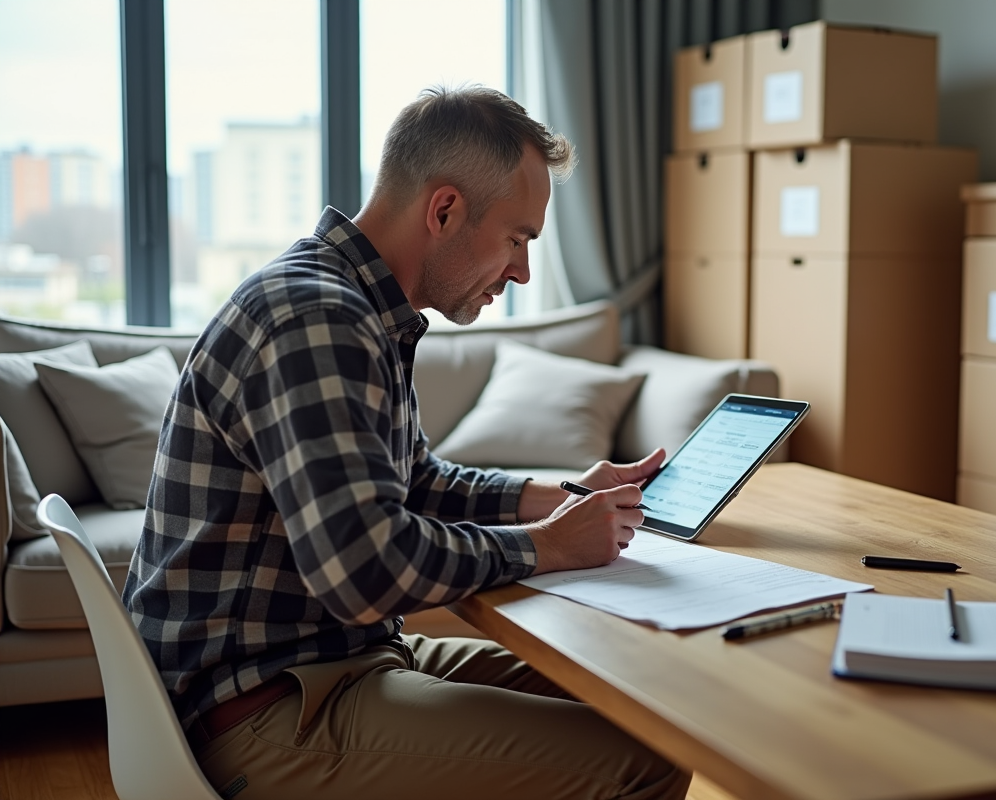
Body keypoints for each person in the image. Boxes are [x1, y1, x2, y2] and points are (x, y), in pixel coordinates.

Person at [123, 86, 690, 800]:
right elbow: (364, 570)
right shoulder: (317, 319)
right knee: (642, 761)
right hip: (268, 708)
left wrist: (566, 496)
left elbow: (416, 484)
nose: (520, 273)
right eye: (518, 239)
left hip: (332, 661)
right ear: (445, 210)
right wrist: (551, 545)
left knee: (642, 714)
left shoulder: (357, 308)